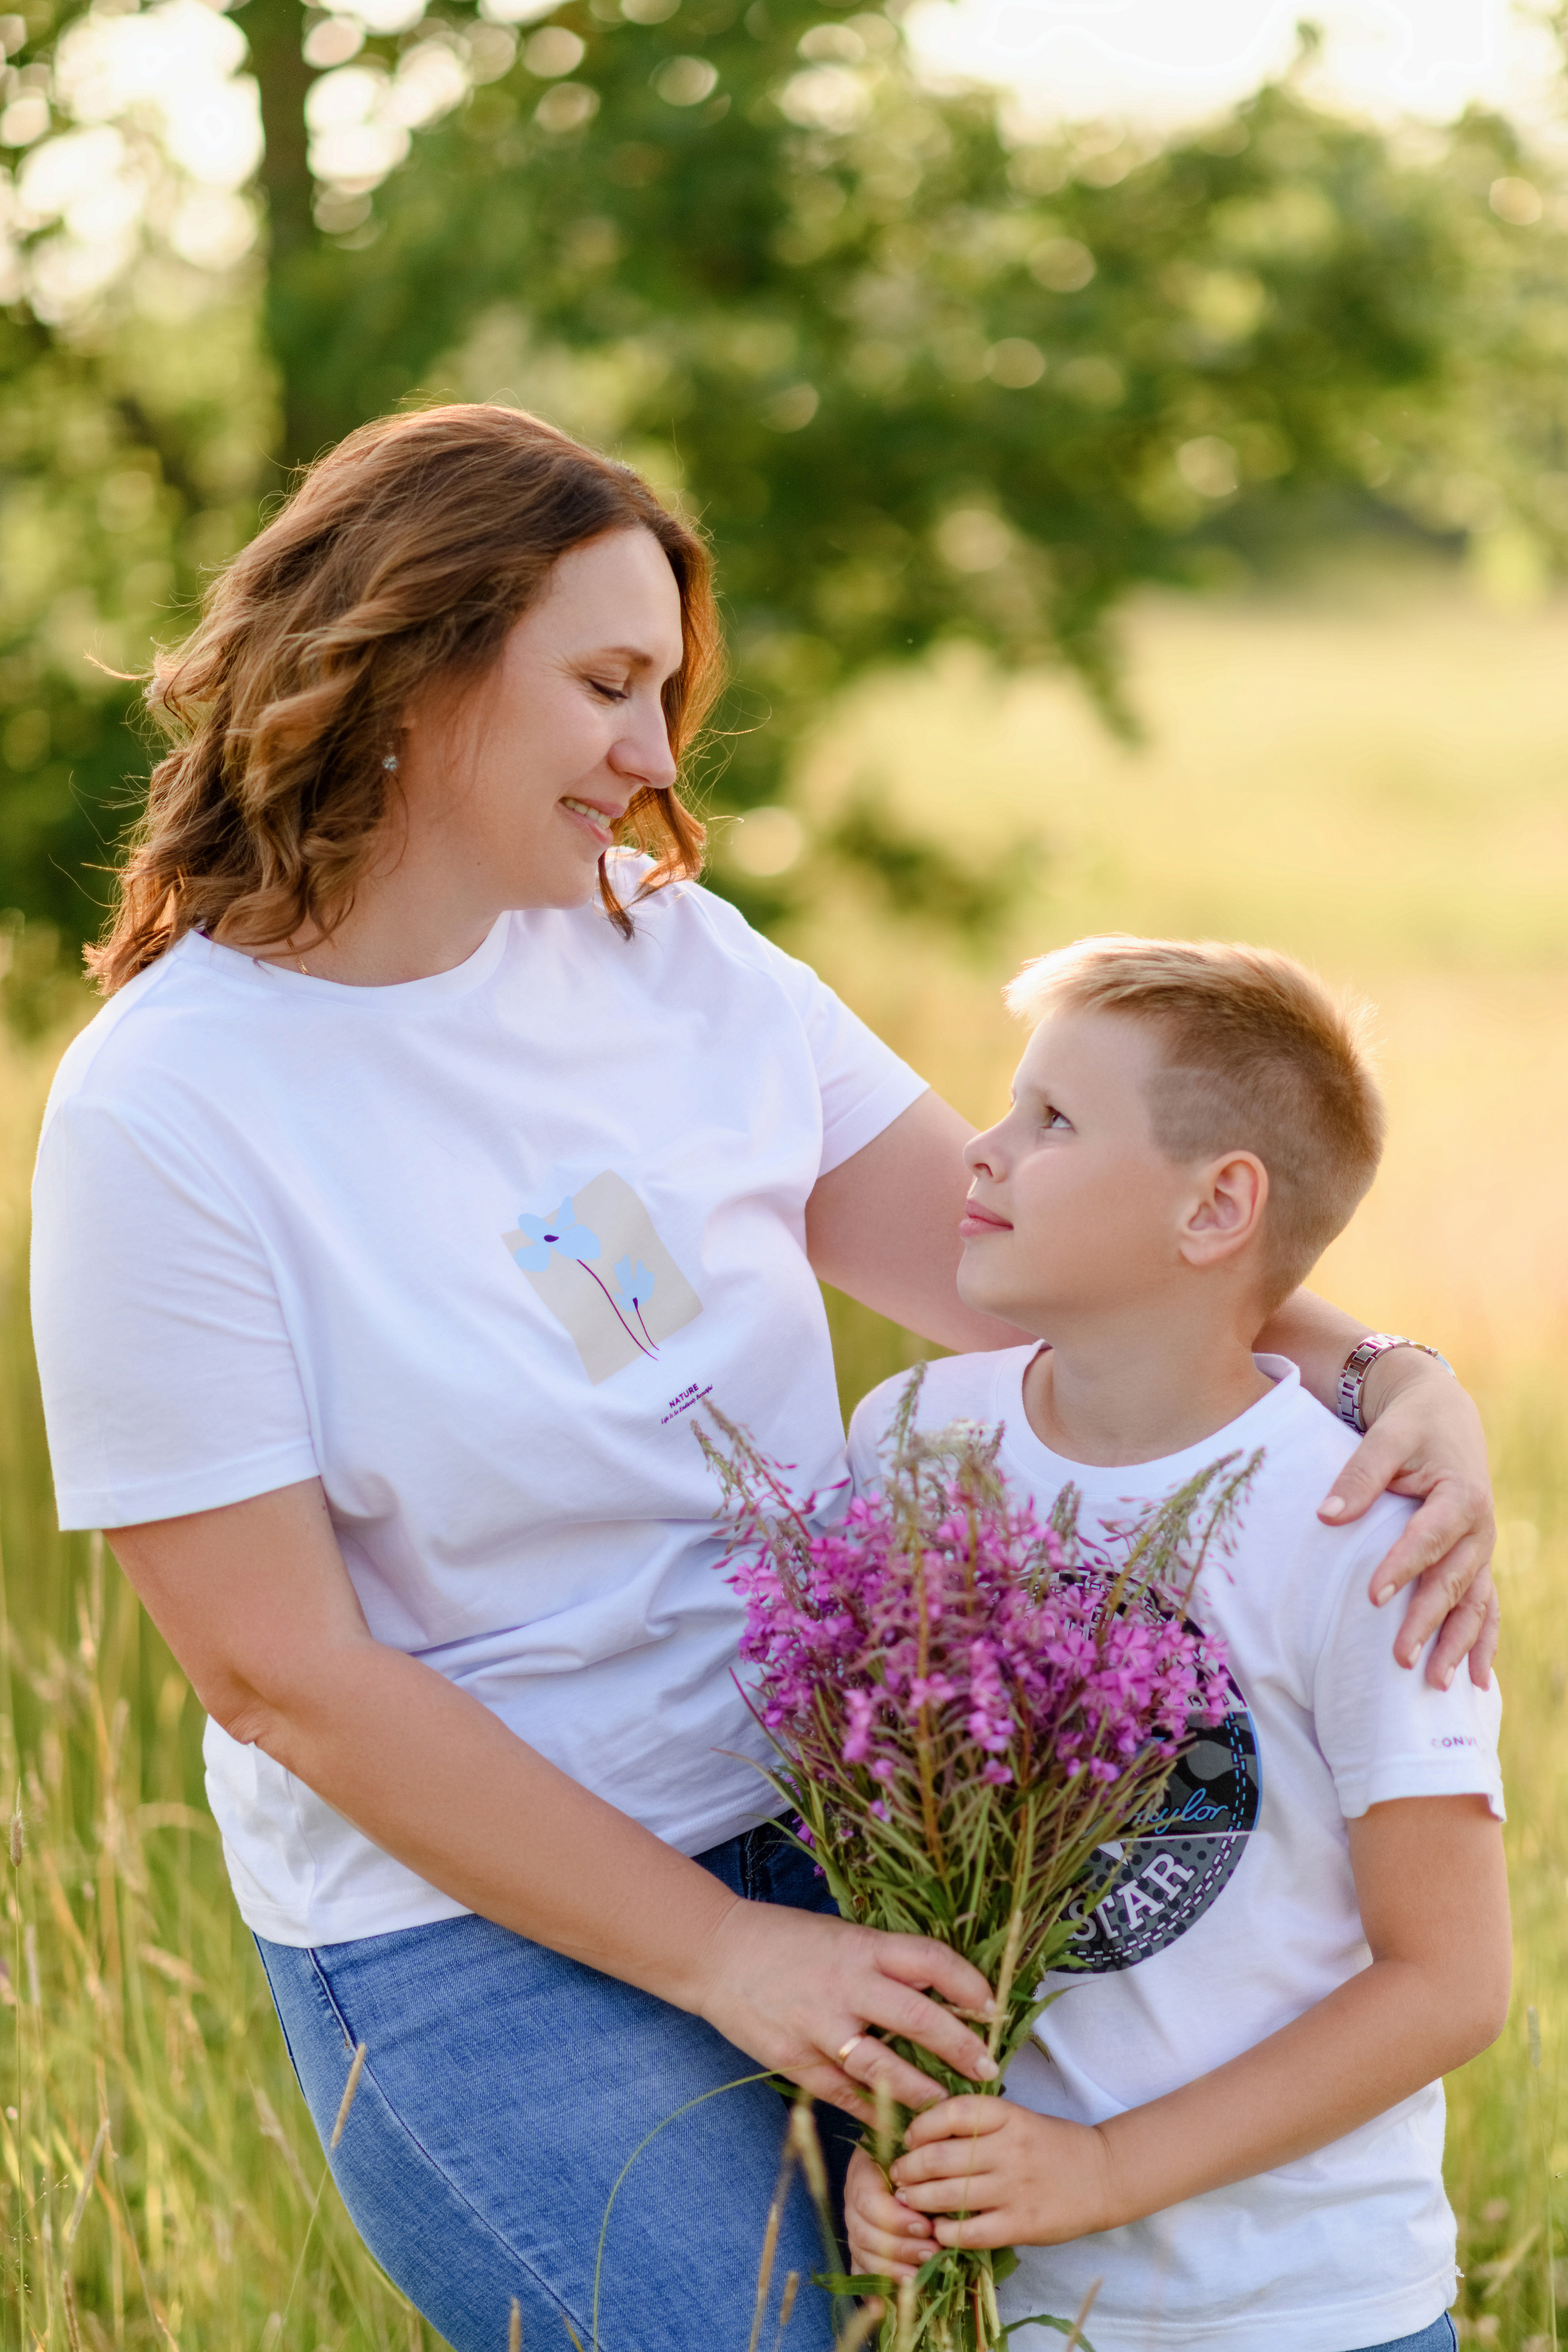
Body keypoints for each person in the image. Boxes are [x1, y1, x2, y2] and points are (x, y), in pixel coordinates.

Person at [30, 405, 1497, 2352]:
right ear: (412, 667)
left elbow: (1029, 1279)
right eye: (606, 686)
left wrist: (1380, 1369)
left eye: (665, 691)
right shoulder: (169, 1108)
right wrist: (725, 1952)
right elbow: (278, 1673)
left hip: (850, 1826)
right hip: (474, 1936)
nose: (657, 756)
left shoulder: (683, 962)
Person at [843, 936, 1510, 2352]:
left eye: (1052, 1121)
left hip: (1302, 2307)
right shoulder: (911, 1442)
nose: (982, 1147)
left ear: (1215, 1207)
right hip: (1017, 2297)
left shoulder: (1365, 1529)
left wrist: (1103, 2171)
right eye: (1009, 1103)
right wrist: (889, 2141)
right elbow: (887, 1846)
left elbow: (1446, 1983)